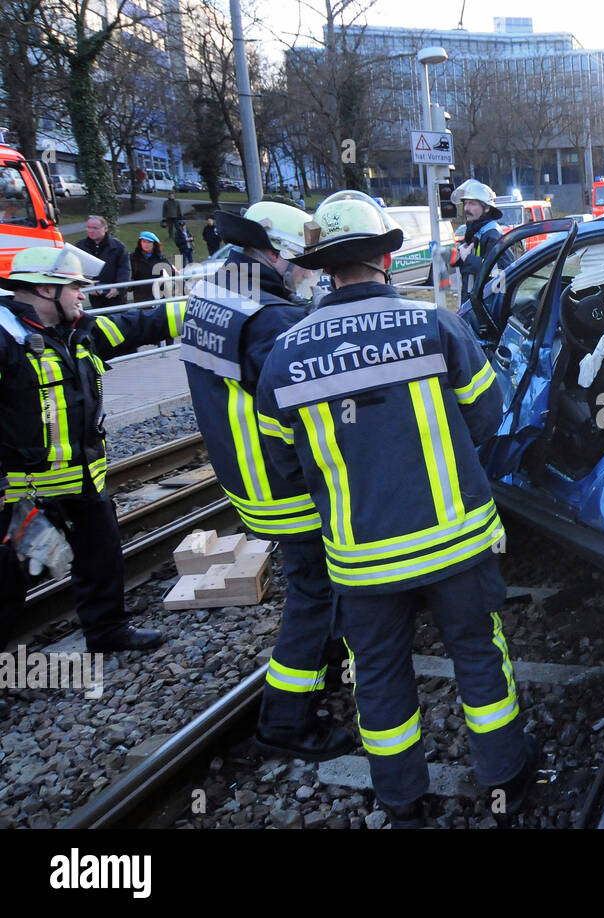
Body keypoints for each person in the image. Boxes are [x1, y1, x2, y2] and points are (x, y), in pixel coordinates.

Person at [256, 190, 536, 827]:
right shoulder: (433, 324)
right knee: (478, 656)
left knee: (377, 676)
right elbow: (488, 416)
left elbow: (284, 465)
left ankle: (403, 803)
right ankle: (506, 781)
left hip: (361, 562)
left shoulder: (286, 354)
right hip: (456, 542)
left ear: (323, 266)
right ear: (387, 255)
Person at [178, 200, 351, 761]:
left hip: (245, 477)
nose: (311, 272)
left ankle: (326, 675)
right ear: (275, 251)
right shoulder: (272, 320)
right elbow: (310, 405)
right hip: (287, 485)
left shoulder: (214, 291)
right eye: (304, 260)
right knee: (315, 592)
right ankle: (287, 721)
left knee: (313, 587)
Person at [0, 246, 185, 652]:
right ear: (45, 290)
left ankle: (108, 632)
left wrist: (206, 310)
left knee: (101, 559)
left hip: (82, 477)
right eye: (74, 287)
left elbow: (141, 325)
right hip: (20, 493)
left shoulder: (78, 330)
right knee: (7, 584)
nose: (83, 294)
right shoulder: (5, 339)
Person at [451, 179, 515, 324]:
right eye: (465, 203)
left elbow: (502, 273)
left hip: (486, 311)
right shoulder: (476, 231)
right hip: (474, 307)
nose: (467, 208)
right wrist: (459, 257)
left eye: (472, 204)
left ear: (486, 208)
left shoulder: (492, 234)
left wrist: (469, 259)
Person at [74, 215, 130, 309]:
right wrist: (87, 284)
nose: (90, 230)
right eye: (88, 227)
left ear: (105, 228)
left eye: (95, 228)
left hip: (115, 294)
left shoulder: (118, 247)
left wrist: (119, 287)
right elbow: (75, 268)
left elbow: (124, 269)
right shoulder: (80, 247)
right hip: (94, 294)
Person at [129, 231, 173, 303]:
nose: (146, 244)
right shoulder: (133, 258)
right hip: (141, 296)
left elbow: (171, 273)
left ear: (154, 244)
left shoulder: (161, 258)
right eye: (143, 241)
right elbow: (130, 274)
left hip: (159, 296)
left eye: (149, 242)